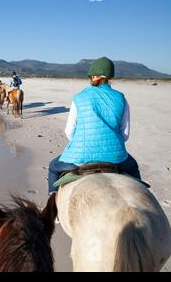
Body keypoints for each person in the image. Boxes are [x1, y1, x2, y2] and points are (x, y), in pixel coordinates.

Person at [47, 57, 141, 195]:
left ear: (94, 77)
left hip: (80, 156)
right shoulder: (121, 98)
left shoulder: (79, 97)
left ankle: (52, 202)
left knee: (53, 168)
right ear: (110, 77)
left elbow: (69, 132)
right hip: (116, 157)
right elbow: (125, 135)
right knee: (133, 168)